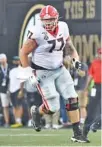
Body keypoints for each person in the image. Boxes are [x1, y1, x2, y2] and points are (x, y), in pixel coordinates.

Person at [19, 5, 89, 143]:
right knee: (53, 107)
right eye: (45, 20)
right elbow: (23, 52)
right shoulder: (37, 32)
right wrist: (28, 72)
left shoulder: (63, 27)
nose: (48, 23)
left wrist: (75, 61)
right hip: (42, 71)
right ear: (41, 20)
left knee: (72, 98)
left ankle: (77, 133)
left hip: (60, 68)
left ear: (57, 18)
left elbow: (70, 48)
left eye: (51, 19)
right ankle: (36, 113)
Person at [83, 48, 102, 139]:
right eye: (99, 54)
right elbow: (90, 76)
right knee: (91, 109)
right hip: (96, 87)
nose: (100, 55)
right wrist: (86, 88)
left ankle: (96, 124)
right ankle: (84, 133)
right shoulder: (95, 63)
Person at [9, 56, 24, 128]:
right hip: (11, 90)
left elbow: (22, 81)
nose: (16, 62)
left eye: (17, 60)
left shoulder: (21, 70)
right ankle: (16, 121)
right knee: (14, 106)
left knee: (19, 105)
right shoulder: (11, 71)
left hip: (18, 89)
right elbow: (10, 81)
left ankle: (19, 120)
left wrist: (21, 91)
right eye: (15, 60)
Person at [0, 53, 11, 127]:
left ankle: (17, 121)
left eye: (3, 58)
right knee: (5, 106)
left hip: (11, 89)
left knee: (15, 105)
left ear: (6, 59)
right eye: (0, 59)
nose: (2, 60)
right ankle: (7, 122)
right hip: (2, 90)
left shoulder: (10, 67)